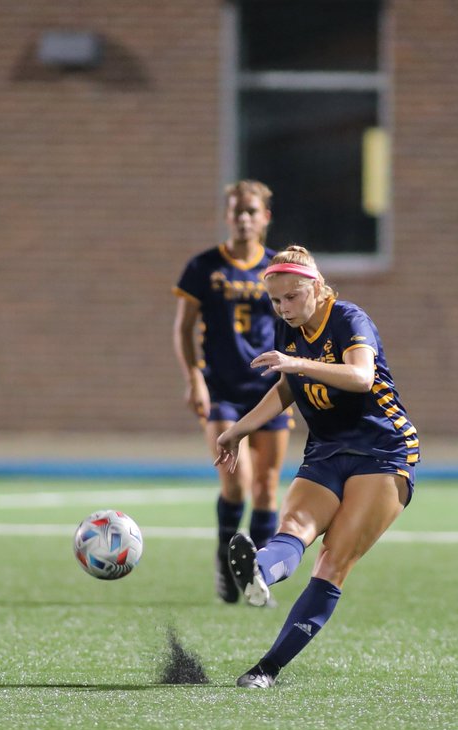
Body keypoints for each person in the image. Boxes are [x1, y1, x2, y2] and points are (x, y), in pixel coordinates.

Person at [214, 244, 420, 688]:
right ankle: (259, 573)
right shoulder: (289, 331)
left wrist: (297, 362)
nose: (283, 307)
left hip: (383, 451)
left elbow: (361, 377)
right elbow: (288, 388)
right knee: (293, 530)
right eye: (275, 300)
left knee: (331, 560)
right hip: (326, 449)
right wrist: (241, 429)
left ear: (316, 288)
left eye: (291, 297)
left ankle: (267, 669)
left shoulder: (348, 318)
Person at [172, 181, 293, 604]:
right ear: (227, 216)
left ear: (265, 217)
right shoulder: (205, 266)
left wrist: (295, 376)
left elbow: (293, 322)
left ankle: (257, 577)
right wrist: (194, 379)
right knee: (236, 481)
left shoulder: (277, 268)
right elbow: (184, 328)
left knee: (266, 486)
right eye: (236, 211)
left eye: (251, 211)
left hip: (269, 391)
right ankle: (226, 560)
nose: (244, 218)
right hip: (222, 388)